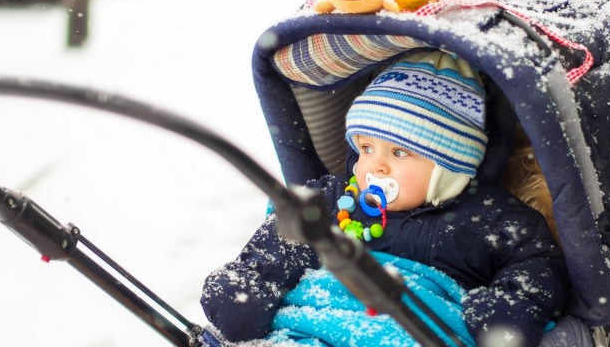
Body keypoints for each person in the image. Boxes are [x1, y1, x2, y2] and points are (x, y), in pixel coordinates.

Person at [200, 50, 568, 346]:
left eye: (398, 154)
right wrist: (250, 284)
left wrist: (508, 311)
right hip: (311, 324)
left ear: (448, 166)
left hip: (414, 327)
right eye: (365, 147)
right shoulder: (332, 200)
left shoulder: (494, 219)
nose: (374, 167)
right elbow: (284, 242)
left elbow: (538, 268)